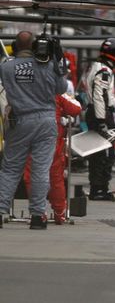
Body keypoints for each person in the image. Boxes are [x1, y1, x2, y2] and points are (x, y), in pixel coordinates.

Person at [0, 31, 67, 229]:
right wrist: (56, 59)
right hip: (45, 120)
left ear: (14, 45)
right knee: (40, 170)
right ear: (34, 45)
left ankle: (0, 210)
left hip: (19, 121)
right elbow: (61, 88)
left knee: (11, 169)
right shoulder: (47, 65)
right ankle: (38, 216)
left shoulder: (5, 67)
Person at [23, 93, 82, 224]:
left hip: (29, 135)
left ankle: (38, 213)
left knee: (32, 175)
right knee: (55, 177)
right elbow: (76, 108)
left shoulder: (24, 87)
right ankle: (59, 213)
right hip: (52, 137)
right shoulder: (56, 91)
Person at [82, 37, 115, 201]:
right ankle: (99, 189)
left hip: (95, 112)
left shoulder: (95, 66)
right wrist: (102, 120)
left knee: (97, 153)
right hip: (101, 114)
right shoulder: (104, 71)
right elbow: (100, 96)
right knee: (105, 154)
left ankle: (97, 188)